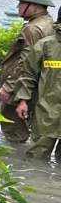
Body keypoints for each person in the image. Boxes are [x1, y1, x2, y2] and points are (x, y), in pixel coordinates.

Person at [0, 0, 55, 143]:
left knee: (13, 130)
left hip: (20, 87)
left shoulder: (33, 29)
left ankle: (13, 156)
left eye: (21, 3)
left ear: (34, 6)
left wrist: (8, 87)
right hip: (37, 86)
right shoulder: (50, 23)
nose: (18, 6)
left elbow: (26, 62)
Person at [15, 24, 61, 161]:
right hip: (46, 112)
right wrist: (23, 100)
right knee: (36, 158)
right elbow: (28, 75)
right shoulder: (45, 45)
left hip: (47, 111)